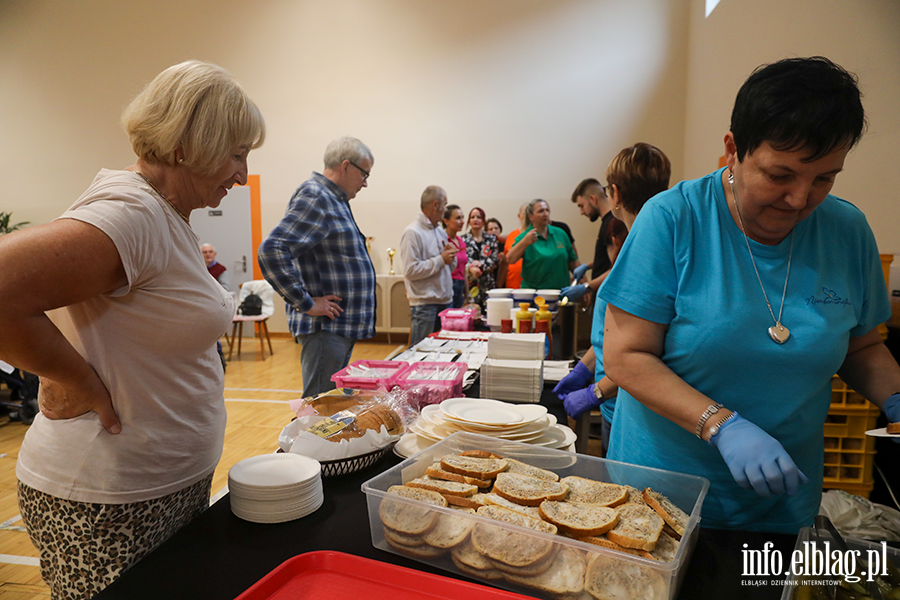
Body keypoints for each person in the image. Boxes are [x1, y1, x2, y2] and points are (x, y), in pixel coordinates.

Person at [600, 56, 900, 533]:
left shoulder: (847, 231)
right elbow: (625, 355)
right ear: (733, 149)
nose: (800, 199)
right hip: (659, 503)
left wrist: (896, 396)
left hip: (782, 504)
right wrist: (721, 425)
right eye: (780, 175)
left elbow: (861, 346)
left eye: (824, 178)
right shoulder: (674, 220)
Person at [0, 60, 264, 597]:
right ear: (189, 146)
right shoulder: (133, 213)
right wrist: (77, 379)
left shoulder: (168, 215)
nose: (241, 174)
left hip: (158, 487)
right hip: (108, 498)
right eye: (237, 154)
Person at [553, 144, 671, 456]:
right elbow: (615, 335)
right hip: (614, 401)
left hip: (630, 406)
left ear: (614, 194)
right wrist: (584, 369)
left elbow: (646, 354)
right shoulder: (637, 247)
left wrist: (595, 392)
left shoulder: (646, 255)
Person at [258, 137, 375, 398]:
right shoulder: (317, 196)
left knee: (331, 405)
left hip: (336, 328)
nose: (365, 182)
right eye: (364, 174)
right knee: (320, 409)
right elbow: (272, 250)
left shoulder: (334, 199)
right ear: (346, 166)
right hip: (325, 329)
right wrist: (307, 303)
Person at [400, 185, 456, 345]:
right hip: (426, 305)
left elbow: (448, 267)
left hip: (445, 301)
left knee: (443, 353)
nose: (445, 209)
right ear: (435, 205)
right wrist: (441, 259)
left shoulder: (440, 231)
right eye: (445, 204)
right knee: (422, 355)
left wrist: (452, 257)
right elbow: (410, 271)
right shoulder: (413, 232)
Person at [506, 199, 580, 290]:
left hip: (561, 293)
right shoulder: (525, 237)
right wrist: (525, 242)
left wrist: (584, 286)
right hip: (534, 295)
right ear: (531, 216)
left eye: (547, 210)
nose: (545, 214)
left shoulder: (560, 233)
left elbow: (574, 263)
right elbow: (509, 259)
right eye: (541, 211)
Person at [560, 179, 613, 303]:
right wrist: (588, 265)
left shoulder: (612, 224)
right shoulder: (606, 222)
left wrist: (587, 287)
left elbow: (617, 266)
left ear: (593, 199)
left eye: (581, 206)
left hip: (607, 298)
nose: (582, 212)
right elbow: (607, 259)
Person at [461, 207, 500, 310]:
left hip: (488, 285)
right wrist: (470, 267)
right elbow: (461, 259)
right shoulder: (462, 239)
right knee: (472, 316)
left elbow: (495, 259)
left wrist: (481, 265)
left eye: (478, 217)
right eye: (472, 217)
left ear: (483, 221)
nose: (475, 219)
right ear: (469, 221)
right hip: (469, 286)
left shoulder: (491, 239)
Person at [442, 204, 468, 308]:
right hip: (448, 285)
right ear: (446, 221)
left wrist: (467, 293)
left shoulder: (461, 242)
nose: (462, 222)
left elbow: (464, 270)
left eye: (462, 218)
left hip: (460, 285)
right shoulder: (443, 241)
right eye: (458, 218)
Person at [502, 203, 529, 289]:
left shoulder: (537, 235)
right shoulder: (512, 235)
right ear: (519, 216)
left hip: (531, 286)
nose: (527, 217)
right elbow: (505, 262)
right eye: (525, 214)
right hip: (513, 285)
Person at [486, 217, 508, 288]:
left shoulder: (506, 245)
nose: (494, 231)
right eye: (490, 229)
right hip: (489, 279)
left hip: (504, 279)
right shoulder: (485, 247)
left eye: (496, 228)